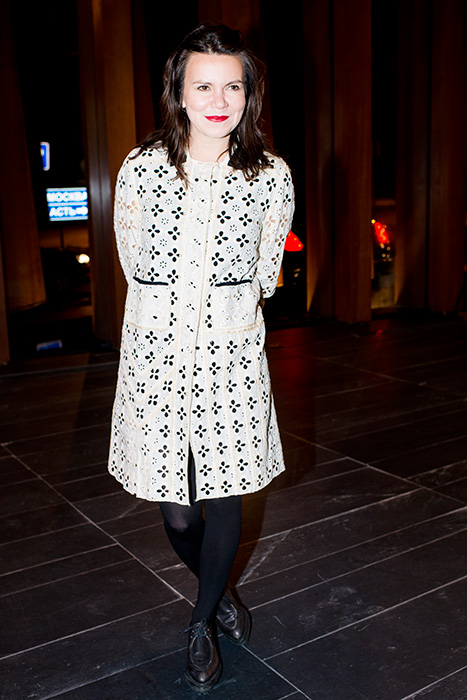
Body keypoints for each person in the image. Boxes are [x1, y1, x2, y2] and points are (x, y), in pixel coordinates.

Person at [108, 21, 295, 693]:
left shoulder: (270, 177)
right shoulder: (141, 168)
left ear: (250, 94)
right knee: (179, 513)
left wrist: (225, 316)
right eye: (203, 85)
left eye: (232, 86)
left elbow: (267, 269)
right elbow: (131, 257)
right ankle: (220, 593)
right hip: (156, 357)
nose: (219, 100)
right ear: (178, 93)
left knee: (224, 491)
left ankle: (199, 623)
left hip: (231, 356)